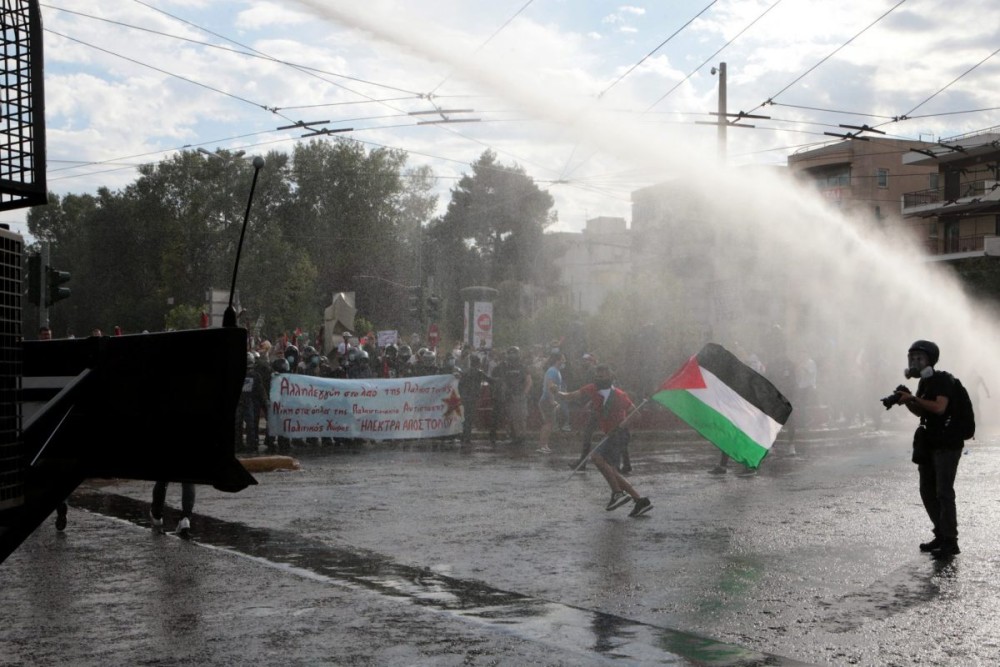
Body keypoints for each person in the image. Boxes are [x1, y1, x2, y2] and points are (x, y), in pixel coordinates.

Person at [896, 340, 963, 557]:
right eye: (911, 358)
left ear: (930, 361)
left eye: (919, 358)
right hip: (930, 443)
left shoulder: (942, 380)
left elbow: (939, 408)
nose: (914, 362)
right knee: (927, 490)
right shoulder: (924, 383)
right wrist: (906, 401)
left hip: (947, 443)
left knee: (943, 491)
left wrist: (913, 398)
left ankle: (951, 541)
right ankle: (941, 533)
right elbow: (923, 413)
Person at [558, 364, 651, 517]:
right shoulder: (592, 388)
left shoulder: (619, 395)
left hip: (620, 434)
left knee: (596, 457)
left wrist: (621, 424)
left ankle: (617, 493)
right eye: (598, 375)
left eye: (603, 375)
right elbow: (569, 396)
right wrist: (557, 392)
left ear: (610, 377)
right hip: (610, 434)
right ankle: (639, 500)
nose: (599, 377)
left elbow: (636, 414)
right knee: (612, 471)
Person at [536, 352, 564, 454]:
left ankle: (545, 445)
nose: (564, 360)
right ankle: (542, 445)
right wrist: (552, 400)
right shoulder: (552, 370)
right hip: (547, 400)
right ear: (558, 360)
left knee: (550, 423)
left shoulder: (556, 370)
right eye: (562, 358)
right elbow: (550, 386)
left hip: (548, 399)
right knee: (548, 423)